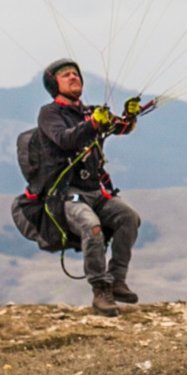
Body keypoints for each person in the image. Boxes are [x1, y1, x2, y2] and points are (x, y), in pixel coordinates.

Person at [35, 59, 143, 314]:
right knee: (92, 228)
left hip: (96, 190)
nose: (74, 78)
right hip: (66, 193)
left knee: (129, 217)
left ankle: (117, 281)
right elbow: (64, 139)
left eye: (76, 74)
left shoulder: (91, 112)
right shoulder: (50, 114)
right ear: (54, 85)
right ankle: (101, 291)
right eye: (66, 76)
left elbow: (120, 128)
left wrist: (130, 115)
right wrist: (93, 124)